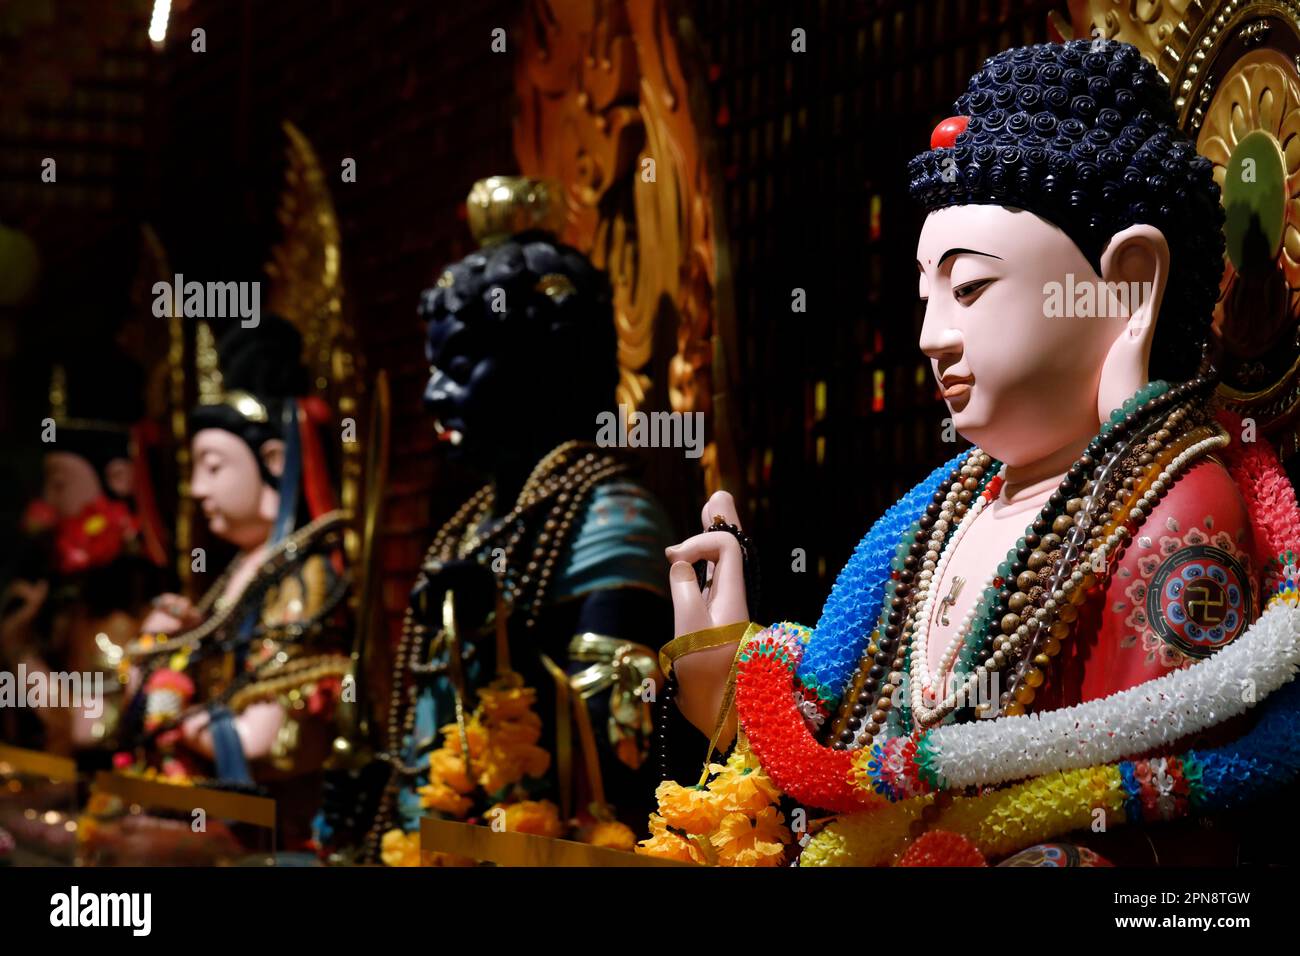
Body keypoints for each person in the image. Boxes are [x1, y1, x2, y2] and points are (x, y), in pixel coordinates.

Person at [641, 39, 1300, 867]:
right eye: (927, 296)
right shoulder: (944, 514)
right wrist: (729, 691)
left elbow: (1173, 838)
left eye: (972, 288)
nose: (932, 337)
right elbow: (858, 775)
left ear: (1130, 285)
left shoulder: (1175, 505)